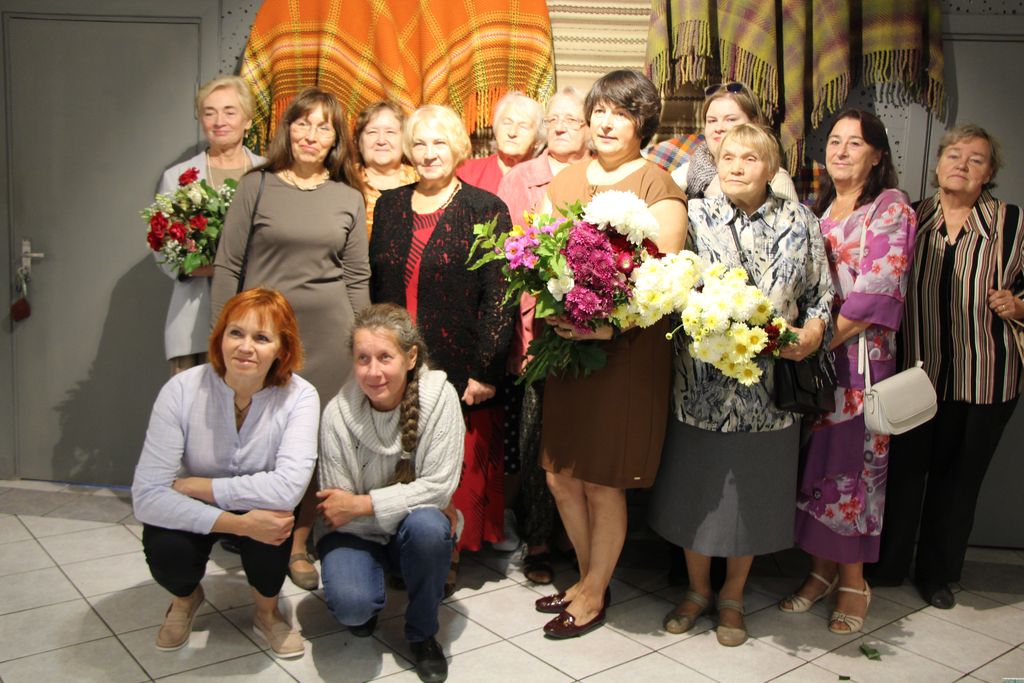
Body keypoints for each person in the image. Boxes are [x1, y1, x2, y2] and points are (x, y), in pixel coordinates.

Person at [648, 123, 833, 646]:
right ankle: (697, 590)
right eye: (727, 156)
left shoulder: (801, 221)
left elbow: (821, 294)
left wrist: (813, 333)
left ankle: (732, 595)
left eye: (749, 158)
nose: (735, 166)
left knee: (753, 495)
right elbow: (664, 284)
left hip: (769, 391)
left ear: (771, 168)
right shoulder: (693, 216)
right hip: (700, 385)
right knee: (695, 493)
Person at [534, 70, 687, 639]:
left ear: (642, 123)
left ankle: (595, 592)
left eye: (621, 113)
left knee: (602, 480)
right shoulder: (567, 180)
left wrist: (605, 325)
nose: (605, 122)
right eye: (599, 110)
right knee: (560, 476)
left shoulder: (657, 185)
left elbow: (663, 284)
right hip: (567, 347)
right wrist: (550, 305)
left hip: (623, 354)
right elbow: (538, 256)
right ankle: (585, 578)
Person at [211, 88, 370, 592]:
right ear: (287, 129)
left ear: (336, 139)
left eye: (324, 127)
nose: (311, 135)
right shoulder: (255, 186)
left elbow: (356, 277)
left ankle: (298, 543)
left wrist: (363, 344)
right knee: (261, 435)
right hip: (264, 337)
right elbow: (228, 266)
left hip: (329, 338)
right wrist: (223, 338)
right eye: (303, 123)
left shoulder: (348, 196)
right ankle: (255, 530)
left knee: (313, 444)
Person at [870, 124, 1024, 610]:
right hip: (917, 374)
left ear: (989, 173)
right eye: (954, 155)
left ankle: (937, 574)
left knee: (958, 482)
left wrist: (1019, 305)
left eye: (976, 159)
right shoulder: (911, 217)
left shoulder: (1012, 223)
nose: (962, 164)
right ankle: (888, 565)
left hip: (987, 376)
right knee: (905, 474)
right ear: (937, 165)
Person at [780, 109, 917, 634]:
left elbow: (877, 289)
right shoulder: (817, 210)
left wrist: (817, 341)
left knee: (852, 473)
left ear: (877, 154)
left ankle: (855, 583)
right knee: (816, 469)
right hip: (818, 362)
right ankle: (820, 573)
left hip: (858, 363)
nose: (840, 151)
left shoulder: (890, 206)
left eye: (854, 143)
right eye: (834, 141)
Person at [370, 104, 515, 593]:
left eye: (439, 143)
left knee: (452, 464)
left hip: (459, 361)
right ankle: (401, 544)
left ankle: (445, 555)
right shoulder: (390, 206)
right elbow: (378, 285)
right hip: (398, 359)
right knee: (401, 456)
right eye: (419, 143)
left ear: (458, 148)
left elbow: (500, 295)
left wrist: (486, 369)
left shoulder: (484, 208)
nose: (429, 153)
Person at [132, 288, 318, 658]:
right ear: (220, 338)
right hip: (199, 505)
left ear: (282, 349)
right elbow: (147, 496)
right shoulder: (181, 389)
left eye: (261, 338)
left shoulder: (301, 396)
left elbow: (289, 489)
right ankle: (185, 599)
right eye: (236, 333)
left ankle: (266, 613)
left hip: (223, 496)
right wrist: (240, 524)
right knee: (166, 548)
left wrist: (200, 486)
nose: (245, 347)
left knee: (275, 523)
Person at [316, 304, 463, 683]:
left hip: (410, 530)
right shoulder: (337, 414)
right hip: (355, 534)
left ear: (411, 357)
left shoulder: (440, 398)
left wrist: (363, 504)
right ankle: (369, 592)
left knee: (429, 528)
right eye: (363, 359)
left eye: (385, 357)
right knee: (353, 609)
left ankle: (422, 633)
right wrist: (369, 509)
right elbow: (337, 510)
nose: (373, 372)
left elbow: (439, 487)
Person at [495, 86, 591, 585]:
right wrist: (515, 340)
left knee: (581, 439)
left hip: (592, 333)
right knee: (535, 438)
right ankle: (537, 539)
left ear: (588, 127)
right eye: (554, 119)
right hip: (535, 332)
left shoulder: (599, 175)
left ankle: (577, 537)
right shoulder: (520, 179)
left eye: (572, 119)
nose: (561, 126)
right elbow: (506, 262)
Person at [157, 76, 265, 374]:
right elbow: (164, 250)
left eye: (230, 112)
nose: (219, 121)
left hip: (257, 318)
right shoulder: (177, 177)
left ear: (247, 120)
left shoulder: (269, 172)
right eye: (209, 112)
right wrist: (205, 266)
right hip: (195, 322)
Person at [671, 82, 798, 203]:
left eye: (730, 119)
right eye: (712, 121)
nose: (718, 128)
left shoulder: (775, 177)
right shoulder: (691, 169)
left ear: (754, 123)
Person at [457, 91, 545, 193]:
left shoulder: (544, 181)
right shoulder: (466, 172)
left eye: (523, 126)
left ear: (538, 140)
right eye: (507, 123)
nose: (512, 132)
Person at [353, 101, 418, 237]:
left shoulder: (422, 182)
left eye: (390, 132)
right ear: (359, 141)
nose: (381, 141)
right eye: (372, 132)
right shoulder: (344, 180)